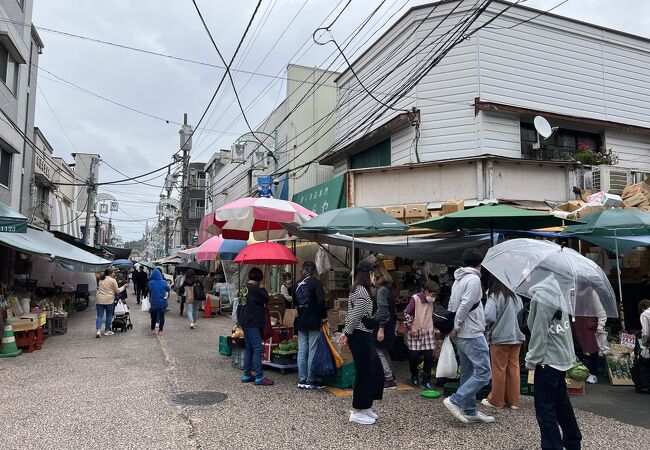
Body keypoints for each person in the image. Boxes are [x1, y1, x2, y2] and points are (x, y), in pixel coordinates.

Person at [526, 273, 582, 450]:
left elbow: (539, 332)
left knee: (545, 409)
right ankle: (573, 441)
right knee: (561, 404)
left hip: (548, 360)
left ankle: (552, 446)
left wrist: (531, 360)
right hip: (561, 357)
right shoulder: (560, 291)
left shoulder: (543, 295)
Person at [443, 248, 494, 424]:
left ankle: (470, 410)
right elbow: (465, 305)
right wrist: (456, 325)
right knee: (484, 372)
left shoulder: (459, 279)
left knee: (468, 371)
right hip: (471, 331)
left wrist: (453, 326)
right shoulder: (473, 280)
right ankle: (455, 400)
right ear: (480, 264)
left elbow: (453, 303)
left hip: (461, 332)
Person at [338, 260, 384, 425]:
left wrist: (347, 333)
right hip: (360, 336)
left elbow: (354, 315)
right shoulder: (363, 292)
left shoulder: (358, 289)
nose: (375, 277)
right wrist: (347, 333)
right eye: (373, 274)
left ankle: (365, 406)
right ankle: (357, 410)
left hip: (360, 335)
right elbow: (356, 315)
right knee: (366, 372)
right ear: (368, 274)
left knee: (373, 370)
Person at [482, 278, 525, 410]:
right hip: (517, 336)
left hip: (500, 337)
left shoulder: (495, 295)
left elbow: (488, 316)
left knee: (499, 369)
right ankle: (513, 401)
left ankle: (496, 401)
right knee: (514, 368)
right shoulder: (517, 296)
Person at [237, 267, 274, 386]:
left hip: (244, 321)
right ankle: (259, 376)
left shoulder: (244, 288)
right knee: (258, 348)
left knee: (249, 348)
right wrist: (263, 287)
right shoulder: (254, 289)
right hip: (252, 322)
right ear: (259, 279)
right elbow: (265, 298)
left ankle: (247, 374)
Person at [294, 261, 327, 390]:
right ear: (314, 270)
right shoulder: (316, 283)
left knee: (302, 350)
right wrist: (323, 316)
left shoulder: (297, 284)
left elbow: (295, 303)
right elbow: (320, 301)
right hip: (313, 320)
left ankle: (301, 379)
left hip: (301, 320)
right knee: (312, 349)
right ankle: (310, 379)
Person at [404, 281, 439, 390]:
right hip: (415, 330)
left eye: (435, 296)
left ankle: (426, 380)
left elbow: (434, 314)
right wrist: (411, 326)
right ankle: (414, 375)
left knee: (428, 356)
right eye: (432, 295)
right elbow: (406, 312)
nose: (433, 298)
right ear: (426, 292)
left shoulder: (432, 302)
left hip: (428, 330)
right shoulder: (415, 298)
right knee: (413, 356)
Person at [571, 286, 607, 384]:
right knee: (578, 350)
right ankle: (580, 373)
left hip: (589, 327)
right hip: (576, 326)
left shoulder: (591, 292)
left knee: (591, 351)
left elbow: (601, 312)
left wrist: (600, 326)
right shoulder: (572, 292)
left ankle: (592, 373)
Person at [373, 266, 397, 390]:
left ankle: (389, 379)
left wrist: (380, 328)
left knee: (379, 351)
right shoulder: (389, 289)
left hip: (383, 325)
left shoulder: (381, 290)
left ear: (377, 277)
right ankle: (391, 375)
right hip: (390, 323)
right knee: (384, 351)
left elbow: (382, 310)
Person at [95, 268, 128, 338]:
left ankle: (98, 331)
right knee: (109, 315)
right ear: (110, 273)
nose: (114, 274)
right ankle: (107, 331)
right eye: (113, 273)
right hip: (109, 300)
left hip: (99, 300)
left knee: (99, 316)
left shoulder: (101, 279)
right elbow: (117, 291)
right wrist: (124, 287)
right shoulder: (113, 280)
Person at [148, 268, 170, 336]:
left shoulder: (150, 283)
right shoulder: (164, 282)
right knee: (161, 317)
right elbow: (168, 290)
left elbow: (150, 291)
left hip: (154, 302)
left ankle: (152, 329)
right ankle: (160, 331)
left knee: (153, 316)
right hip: (162, 302)